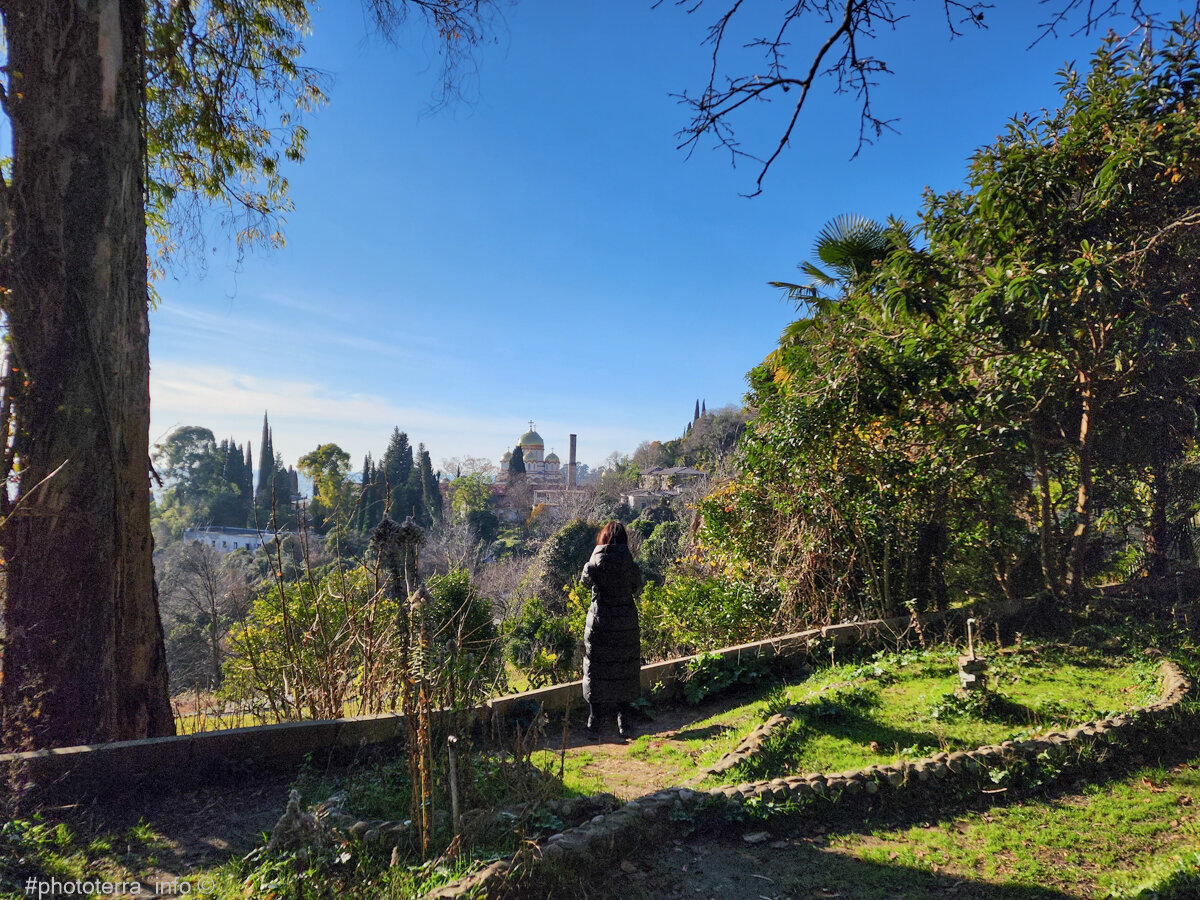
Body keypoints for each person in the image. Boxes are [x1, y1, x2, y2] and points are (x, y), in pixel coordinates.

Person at [580, 521, 644, 738]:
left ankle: (594, 721)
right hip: (625, 621)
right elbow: (636, 586)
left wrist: (594, 555)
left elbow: (585, 581)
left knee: (596, 668)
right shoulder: (630, 565)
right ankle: (623, 721)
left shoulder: (595, 564)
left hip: (600, 622)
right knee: (625, 666)